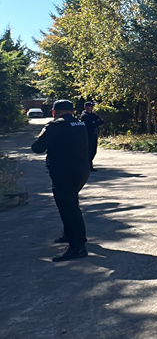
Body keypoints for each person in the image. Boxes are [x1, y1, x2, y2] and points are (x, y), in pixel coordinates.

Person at [31, 100, 91, 262]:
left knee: (69, 208)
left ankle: (78, 247)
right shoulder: (80, 124)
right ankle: (69, 234)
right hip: (81, 170)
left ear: (54, 112)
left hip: (64, 173)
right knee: (70, 203)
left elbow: (37, 147)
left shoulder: (55, 125)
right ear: (72, 111)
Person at [80, 101, 104, 171]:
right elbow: (89, 125)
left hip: (94, 134)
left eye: (92, 106)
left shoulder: (93, 114)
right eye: (90, 106)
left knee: (93, 151)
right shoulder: (84, 115)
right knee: (89, 151)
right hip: (88, 135)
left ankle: (90, 165)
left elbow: (100, 121)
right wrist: (95, 122)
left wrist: (94, 122)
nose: (91, 107)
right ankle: (87, 166)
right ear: (86, 107)